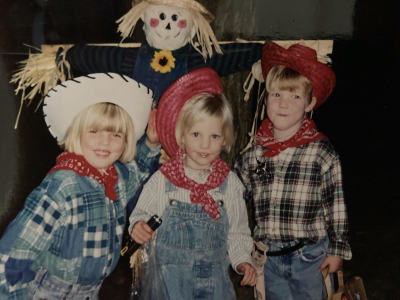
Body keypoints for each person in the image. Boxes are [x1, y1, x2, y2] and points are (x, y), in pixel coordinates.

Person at [0, 73, 160, 299]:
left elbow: (138, 169)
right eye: (94, 131)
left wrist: (152, 143)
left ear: (126, 141)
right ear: (76, 134)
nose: (105, 142)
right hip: (50, 292)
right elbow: (15, 252)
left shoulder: (114, 177)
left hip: (90, 292)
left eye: (115, 134)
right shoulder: (62, 186)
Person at [234, 42, 352, 300]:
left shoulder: (321, 152)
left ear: (310, 103)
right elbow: (233, 193)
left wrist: (337, 250)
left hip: (310, 256)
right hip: (270, 259)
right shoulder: (254, 154)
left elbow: (336, 206)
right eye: (276, 95)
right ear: (266, 99)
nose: (283, 104)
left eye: (294, 96)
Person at [129, 67, 257, 299]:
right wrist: (138, 225)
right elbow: (142, 213)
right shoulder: (164, 179)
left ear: (225, 139)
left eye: (214, 136)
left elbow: (238, 231)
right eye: (196, 134)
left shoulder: (229, 184)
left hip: (215, 281)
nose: (205, 145)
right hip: (169, 282)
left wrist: (242, 261)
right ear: (182, 135)